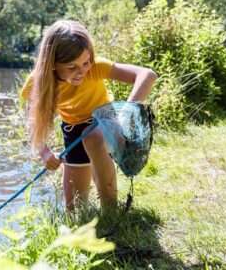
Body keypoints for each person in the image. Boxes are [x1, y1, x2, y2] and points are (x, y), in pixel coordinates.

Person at [21, 20, 157, 210]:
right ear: (52, 64)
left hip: (107, 123)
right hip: (72, 131)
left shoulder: (95, 67)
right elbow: (33, 120)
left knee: (93, 137)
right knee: (74, 209)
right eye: (72, 67)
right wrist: (44, 152)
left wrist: (125, 115)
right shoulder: (37, 82)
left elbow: (147, 75)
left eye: (85, 62)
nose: (82, 71)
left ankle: (110, 213)